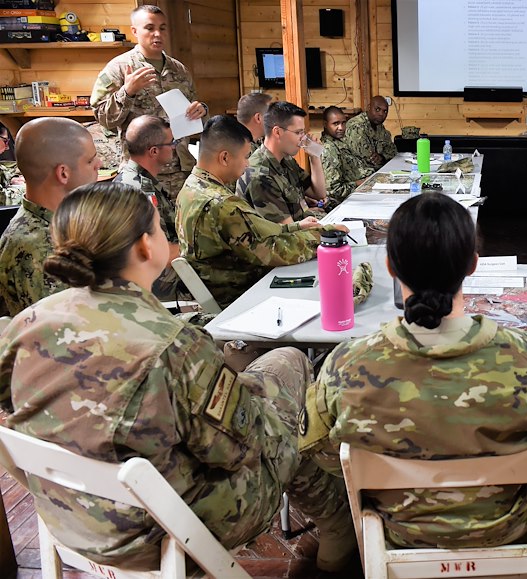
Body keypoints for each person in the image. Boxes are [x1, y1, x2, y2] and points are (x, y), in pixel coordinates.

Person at [0, 181, 338, 570]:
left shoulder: (25, 324)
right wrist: (251, 393)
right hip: (163, 529)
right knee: (289, 367)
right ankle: (337, 520)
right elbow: (242, 450)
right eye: (161, 228)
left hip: (70, 517)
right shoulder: (173, 346)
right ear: (146, 246)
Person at [296, 192, 527, 570]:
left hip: (399, 532)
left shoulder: (345, 366)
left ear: (390, 267)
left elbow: (320, 451)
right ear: (473, 265)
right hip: (508, 531)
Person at [175, 115, 336, 308]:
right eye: (245, 157)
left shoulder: (191, 187)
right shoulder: (223, 205)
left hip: (224, 290)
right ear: (224, 157)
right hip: (242, 298)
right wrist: (326, 236)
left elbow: (259, 231)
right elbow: (274, 251)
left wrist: (295, 227)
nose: (248, 164)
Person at [91, 5, 208, 198]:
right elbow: (103, 118)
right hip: (141, 173)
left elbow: (194, 112)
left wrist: (201, 110)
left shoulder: (179, 70)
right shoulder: (119, 68)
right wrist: (127, 92)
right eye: (150, 28)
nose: (157, 34)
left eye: (162, 28)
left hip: (180, 170)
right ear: (135, 31)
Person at [0, 118, 100, 317]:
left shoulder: (53, 225)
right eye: (90, 161)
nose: (99, 164)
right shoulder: (41, 249)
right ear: (63, 173)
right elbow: (64, 330)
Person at [113, 115, 182, 299]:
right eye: (171, 143)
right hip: (156, 285)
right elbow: (160, 254)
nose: (174, 147)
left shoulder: (138, 179)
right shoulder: (139, 191)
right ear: (154, 151)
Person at [236, 101, 327, 224]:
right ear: (277, 132)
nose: (303, 138)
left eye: (303, 132)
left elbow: (318, 193)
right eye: (298, 132)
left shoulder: (286, 160)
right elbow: (286, 230)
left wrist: (314, 157)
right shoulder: (260, 175)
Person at [320, 105, 374, 208]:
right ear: (325, 124)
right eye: (335, 124)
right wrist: (359, 183)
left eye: (343, 123)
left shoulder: (341, 142)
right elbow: (334, 190)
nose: (341, 128)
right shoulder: (328, 149)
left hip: (360, 191)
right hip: (345, 202)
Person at [343, 95, 397, 172]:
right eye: (377, 109)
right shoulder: (356, 126)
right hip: (358, 173)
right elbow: (369, 160)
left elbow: (392, 150)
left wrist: (382, 157)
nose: (381, 114)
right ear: (368, 107)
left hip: (375, 171)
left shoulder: (379, 126)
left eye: (385, 111)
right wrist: (383, 159)